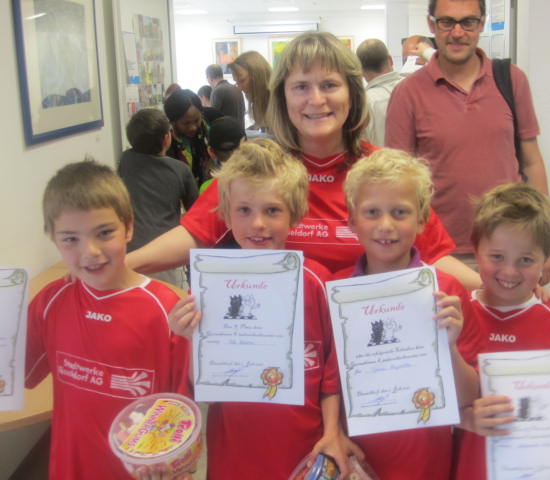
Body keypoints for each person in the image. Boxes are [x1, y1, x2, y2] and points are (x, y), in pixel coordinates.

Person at [126, 31, 481, 291]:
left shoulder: (383, 174)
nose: (316, 100)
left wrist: (495, 292)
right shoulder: (260, 169)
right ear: (283, 96)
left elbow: (435, 256)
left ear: (352, 93)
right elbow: (196, 233)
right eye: (301, 87)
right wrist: (118, 267)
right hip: (281, 347)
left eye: (329, 85)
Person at [168, 139, 361, 479]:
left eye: (272, 210)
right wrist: (188, 338)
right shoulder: (208, 290)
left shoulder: (316, 283)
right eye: (244, 210)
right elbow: (197, 387)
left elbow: (333, 369)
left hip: (306, 448)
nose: (258, 223)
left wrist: (333, 430)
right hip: (234, 450)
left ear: (294, 214)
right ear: (226, 214)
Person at [26, 161, 191, 479]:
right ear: (53, 238)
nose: (90, 251)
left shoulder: (166, 309)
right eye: (70, 239)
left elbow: (184, 406)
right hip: (69, 469)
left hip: (144, 471)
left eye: (104, 233)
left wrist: (177, 465)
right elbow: (13, 376)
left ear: (128, 227)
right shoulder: (50, 302)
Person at [334, 148, 481, 480]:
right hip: (355, 458)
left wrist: (449, 346)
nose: (386, 225)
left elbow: (468, 396)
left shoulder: (446, 292)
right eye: (372, 212)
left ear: (422, 220)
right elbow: (325, 385)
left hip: (425, 460)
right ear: (352, 220)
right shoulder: (336, 291)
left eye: (399, 212)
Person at [451, 182, 550, 480]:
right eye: (497, 257)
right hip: (471, 470)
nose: (509, 272)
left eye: (525, 260)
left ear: (546, 260)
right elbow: (428, 401)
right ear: (476, 250)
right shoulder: (455, 318)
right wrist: (465, 419)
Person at [386, 0, 549, 268]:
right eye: (447, 22)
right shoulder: (408, 93)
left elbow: (532, 163)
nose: (458, 33)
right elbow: (397, 181)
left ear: (482, 23)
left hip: (511, 246)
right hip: (439, 252)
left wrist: (543, 242)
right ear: (431, 24)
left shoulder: (511, 80)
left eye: (468, 22)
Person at [118, 108, 198, 288]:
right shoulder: (180, 170)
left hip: (128, 251)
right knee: (168, 297)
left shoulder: (125, 160)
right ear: (166, 138)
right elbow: (195, 211)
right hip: (164, 252)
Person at [356, 38, 404, 147]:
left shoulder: (362, 103)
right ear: (390, 59)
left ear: (360, 70)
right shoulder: (414, 88)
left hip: (381, 157)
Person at [164, 88, 212, 187]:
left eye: (196, 120)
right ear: (173, 122)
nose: (193, 127)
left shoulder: (207, 131)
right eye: (186, 123)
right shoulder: (167, 143)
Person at [199, 115, 247, 193]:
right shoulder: (208, 189)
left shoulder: (261, 179)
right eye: (228, 149)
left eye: (241, 147)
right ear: (212, 151)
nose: (235, 154)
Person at [228, 51, 272, 131]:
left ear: (258, 76)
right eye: (237, 83)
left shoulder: (279, 99)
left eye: (242, 81)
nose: (240, 88)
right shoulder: (258, 103)